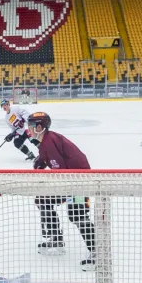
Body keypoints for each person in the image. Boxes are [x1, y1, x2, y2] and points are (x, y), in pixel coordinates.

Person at [25, 111, 96, 270]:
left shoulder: (50, 141)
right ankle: (56, 239)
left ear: (39, 127)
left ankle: (97, 252)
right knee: (43, 200)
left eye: (30, 126)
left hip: (78, 183)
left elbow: (60, 171)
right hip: (70, 181)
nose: (28, 129)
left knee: (77, 214)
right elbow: (44, 159)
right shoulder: (46, 141)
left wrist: (44, 181)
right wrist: (39, 163)